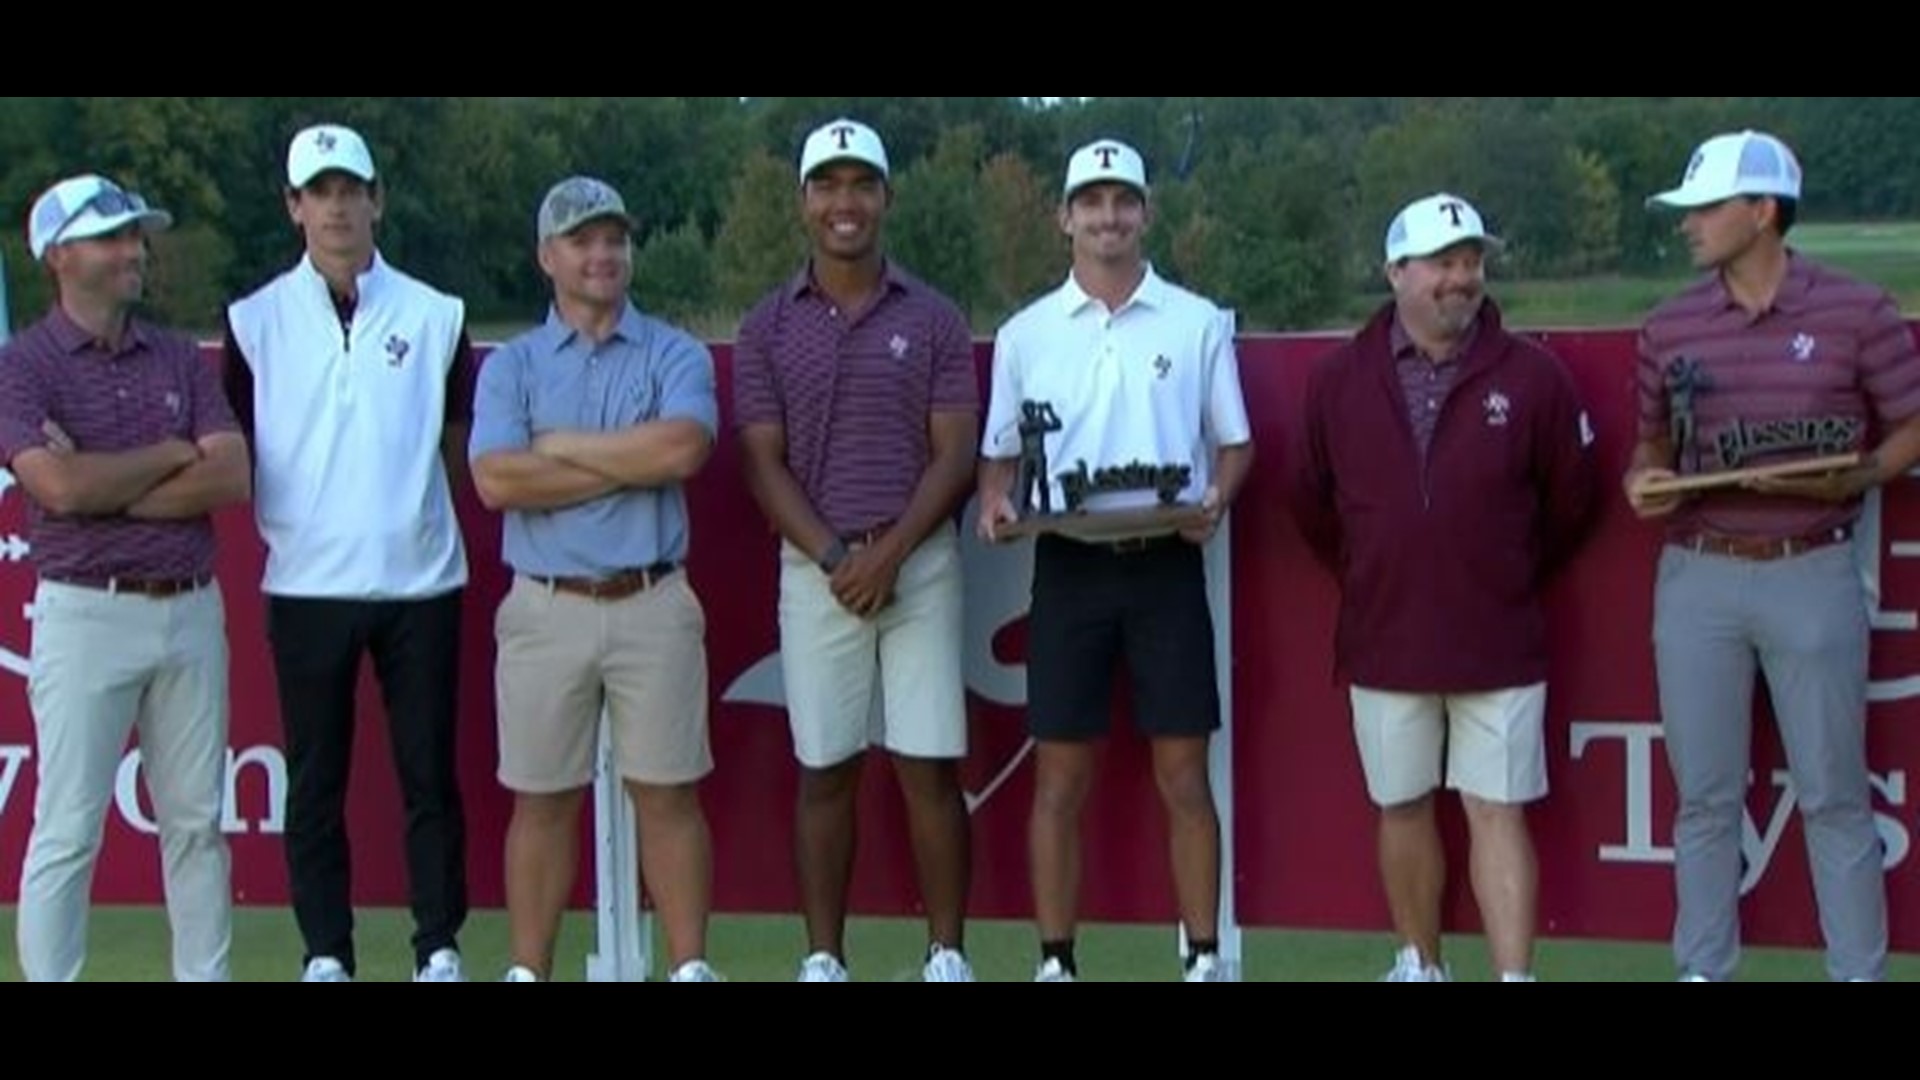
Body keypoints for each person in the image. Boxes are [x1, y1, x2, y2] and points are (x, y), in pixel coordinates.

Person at [1625, 130, 1918, 982]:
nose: (1690, 225)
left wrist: (1861, 475)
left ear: (1763, 212)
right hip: (1698, 572)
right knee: (1706, 801)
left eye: (1708, 208)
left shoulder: (1857, 311)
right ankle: (1702, 971)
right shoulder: (1671, 323)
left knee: (1833, 794)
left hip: (1813, 566)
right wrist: (1643, 482)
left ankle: (1858, 973)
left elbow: (1910, 426)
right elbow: (1649, 448)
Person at [1291, 192, 1599, 982]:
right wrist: (1374, 569)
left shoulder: (1534, 376)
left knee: (1497, 812)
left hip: (1498, 639)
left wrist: (1498, 570)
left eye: (1472, 261)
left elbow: (1572, 501)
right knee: (1402, 806)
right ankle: (1420, 963)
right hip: (1384, 633)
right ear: (1395, 272)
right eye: (1443, 263)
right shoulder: (1338, 379)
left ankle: (1511, 977)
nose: (1463, 278)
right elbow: (1311, 503)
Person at [977, 139, 1253, 982]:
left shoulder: (1196, 319)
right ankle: (1057, 960)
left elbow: (1234, 445)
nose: (1108, 218)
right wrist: (994, 499)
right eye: (1091, 203)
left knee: (1183, 768)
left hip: (1166, 562)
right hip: (1068, 567)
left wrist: (1218, 498)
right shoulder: (1026, 333)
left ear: (1145, 214)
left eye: (1122, 202)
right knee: (1060, 773)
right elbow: (1000, 456)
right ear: (1065, 218)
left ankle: (1203, 954)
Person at [224, 124, 474, 982]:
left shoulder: (437, 315)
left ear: (377, 199)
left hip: (421, 582)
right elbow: (238, 447)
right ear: (294, 207)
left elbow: (454, 447)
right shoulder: (251, 322)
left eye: (350, 189)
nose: (336, 207)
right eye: (318, 193)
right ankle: (326, 952)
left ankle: (438, 945)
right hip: (305, 585)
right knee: (316, 784)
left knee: (428, 779)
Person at [735, 118, 980, 982]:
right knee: (825, 769)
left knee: (929, 767)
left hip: (919, 565)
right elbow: (763, 463)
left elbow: (955, 452)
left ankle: (945, 954)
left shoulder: (936, 316)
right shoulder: (766, 325)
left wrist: (889, 553)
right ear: (805, 202)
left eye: (862, 185)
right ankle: (824, 959)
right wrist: (841, 556)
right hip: (817, 572)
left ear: (886, 197)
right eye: (829, 186)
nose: (846, 203)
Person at [471, 177, 721, 983]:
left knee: (668, 794)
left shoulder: (674, 350)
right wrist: (625, 459)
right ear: (549, 257)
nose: (603, 254)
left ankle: (687, 970)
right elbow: (498, 482)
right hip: (546, 606)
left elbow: (682, 451)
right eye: (583, 240)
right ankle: (528, 973)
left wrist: (560, 446)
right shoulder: (511, 365)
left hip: (652, 598)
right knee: (542, 801)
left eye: (614, 238)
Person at [1, 173, 249, 980]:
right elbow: (58, 490)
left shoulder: (177, 353)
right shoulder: (23, 366)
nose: (133, 251)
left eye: (134, 236)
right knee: (68, 830)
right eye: (112, 238)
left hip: (188, 610)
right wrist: (172, 455)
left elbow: (230, 476)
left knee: (197, 827)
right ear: (60, 256)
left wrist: (113, 487)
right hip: (86, 615)